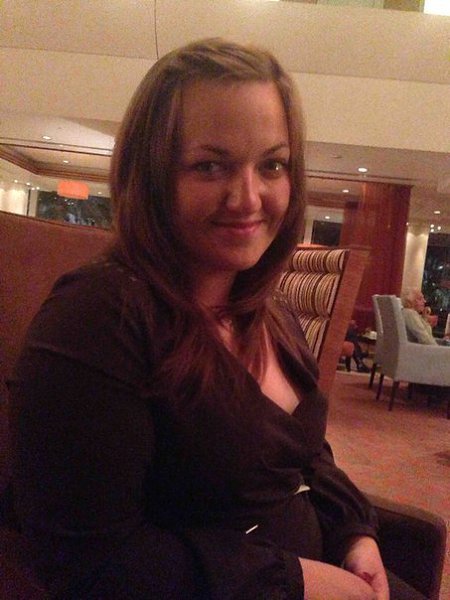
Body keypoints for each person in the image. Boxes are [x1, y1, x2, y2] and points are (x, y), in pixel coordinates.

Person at [9, 38, 425, 600]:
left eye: (271, 164)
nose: (248, 197)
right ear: (152, 173)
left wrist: (354, 532)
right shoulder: (98, 318)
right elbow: (83, 563)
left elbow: (303, 455)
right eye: (210, 166)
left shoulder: (269, 310)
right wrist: (297, 582)